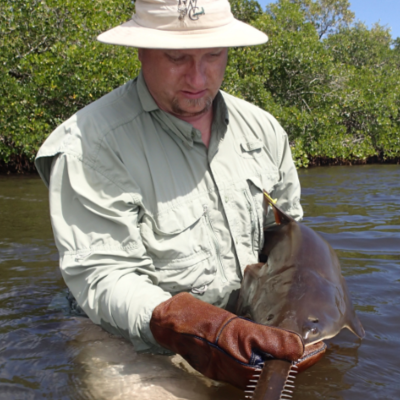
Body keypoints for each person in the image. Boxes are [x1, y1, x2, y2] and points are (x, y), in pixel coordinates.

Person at [35, 0, 316, 391]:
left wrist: (296, 320)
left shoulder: (264, 131)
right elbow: (104, 275)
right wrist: (191, 322)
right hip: (127, 338)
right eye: (177, 56)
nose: (198, 76)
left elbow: (289, 240)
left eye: (214, 55)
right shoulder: (88, 144)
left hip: (242, 324)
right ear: (141, 51)